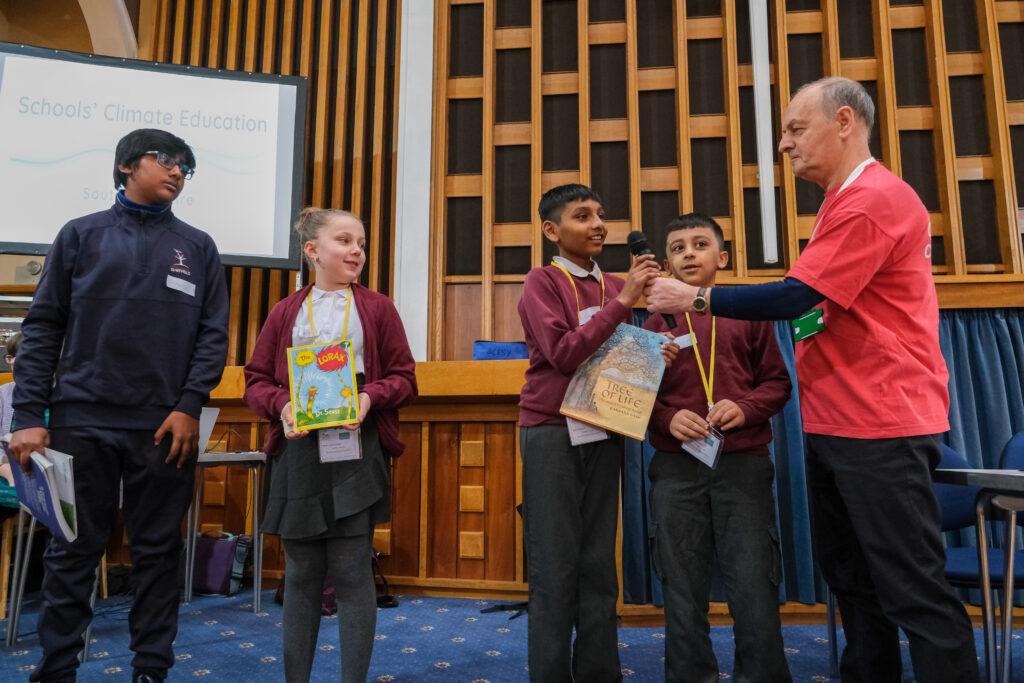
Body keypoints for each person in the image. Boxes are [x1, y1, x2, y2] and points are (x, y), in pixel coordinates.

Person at [645, 77, 979, 682]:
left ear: (845, 121)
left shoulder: (874, 198)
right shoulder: (836, 205)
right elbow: (815, 312)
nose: (784, 144)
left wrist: (696, 298)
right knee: (854, 585)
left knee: (913, 592)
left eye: (796, 129)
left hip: (881, 423)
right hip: (838, 424)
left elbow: (799, 296)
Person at [8, 128, 229, 683]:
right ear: (128, 165)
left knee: (157, 553)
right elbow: (42, 329)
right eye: (167, 160)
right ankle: (56, 670)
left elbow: (212, 336)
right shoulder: (80, 235)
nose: (177, 172)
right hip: (81, 418)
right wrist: (30, 417)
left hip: (165, 426)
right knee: (72, 553)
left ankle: (151, 669)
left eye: (186, 167)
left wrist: (189, 405)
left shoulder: (198, 246)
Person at [243, 207, 417, 683]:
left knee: (352, 571)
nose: (356, 250)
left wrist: (368, 397)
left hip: (356, 446)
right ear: (313, 251)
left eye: (360, 242)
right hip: (299, 450)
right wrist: (281, 406)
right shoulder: (285, 311)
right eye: (344, 241)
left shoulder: (378, 308)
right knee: (300, 574)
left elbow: (405, 379)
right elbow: (255, 380)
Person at [517, 183, 663, 682]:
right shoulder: (543, 281)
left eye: (602, 214)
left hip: (606, 427)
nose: (599, 224)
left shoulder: (619, 282)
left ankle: (601, 672)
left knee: (599, 562)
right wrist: (625, 301)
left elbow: (630, 349)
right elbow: (562, 353)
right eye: (583, 216)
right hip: (553, 431)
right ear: (552, 230)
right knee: (555, 565)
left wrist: (654, 346)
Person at [642, 214, 792, 682]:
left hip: (743, 467)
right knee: (681, 588)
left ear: (721, 258)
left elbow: (777, 384)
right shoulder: (653, 322)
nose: (689, 253)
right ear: (666, 263)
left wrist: (745, 408)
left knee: (753, 586)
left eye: (700, 244)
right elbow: (634, 398)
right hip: (675, 469)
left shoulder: (747, 315)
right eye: (679, 247)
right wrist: (667, 418)